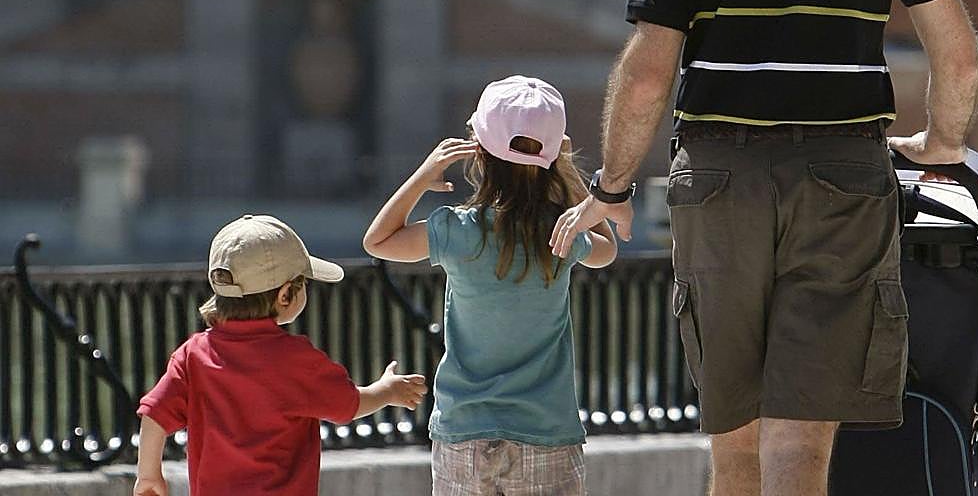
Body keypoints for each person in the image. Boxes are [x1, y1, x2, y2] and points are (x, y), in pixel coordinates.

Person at [550, 0, 978, 496]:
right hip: (844, 177)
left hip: (719, 178)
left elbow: (647, 71)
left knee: (735, 448)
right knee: (801, 448)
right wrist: (943, 143)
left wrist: (612, 188)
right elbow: (955, 54)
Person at [363, 75, 619, 496]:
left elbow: (378, 241)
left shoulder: (458, 230)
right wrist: (568, 171)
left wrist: (423, 175)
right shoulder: (559, 233)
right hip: (546, 431)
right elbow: (607, 249)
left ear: (479, 152)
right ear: (552, 155)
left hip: (464, 432)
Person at [133, 214, 427, 496]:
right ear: (285, 295)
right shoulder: (296, 359)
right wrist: (387, 391)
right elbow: (348, 405)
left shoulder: (193, 355)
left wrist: (148, 476)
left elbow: (154, 415)